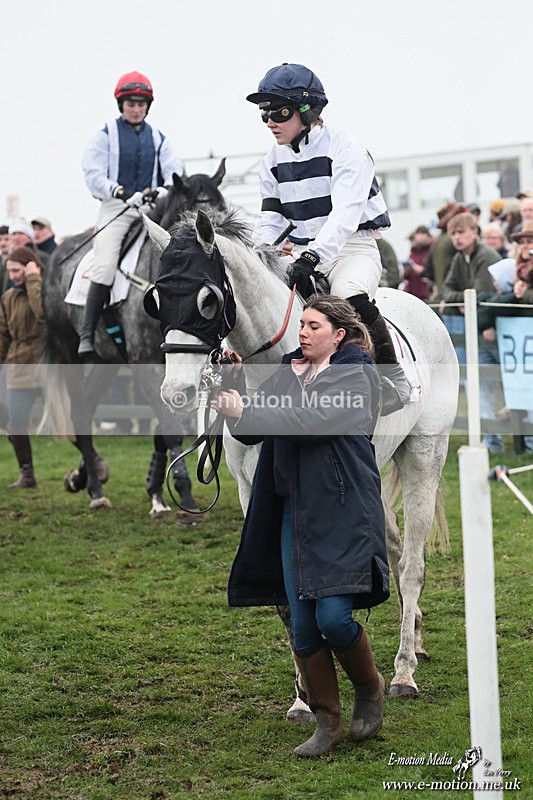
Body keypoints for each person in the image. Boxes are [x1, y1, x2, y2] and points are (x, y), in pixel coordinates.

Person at [212, 295, 389, 758]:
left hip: (343, 507)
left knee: (333, 617)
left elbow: (311, 422)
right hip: (293, 511)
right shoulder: (290, 370)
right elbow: (251, 430)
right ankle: (327, 723)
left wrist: (252, 411)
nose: (303, 334)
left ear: (340, 335)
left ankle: (370, 689)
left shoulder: (357, 375)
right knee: (304, 626)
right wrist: (232, 393)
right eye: (302, 325)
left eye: (313, 326)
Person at [246, 62, 410, 415]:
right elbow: (271, 218)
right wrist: (258, 255)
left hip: (353, 247)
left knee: (348, 296)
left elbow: (345, 215)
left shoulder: (347, 148)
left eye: (279, 111)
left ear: (307, 111)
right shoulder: (270, 161)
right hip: (304, 250)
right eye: (264, 114)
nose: (270, 121)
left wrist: (312, 257)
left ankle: (394, 378)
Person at [78, 70, 185, 357]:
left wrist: (161, 191)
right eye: (130, 104)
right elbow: (93, 173)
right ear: (121, 105)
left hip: (151, 207)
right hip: (117, 206)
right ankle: (87, 334)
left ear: (147, 106)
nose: (136, 109)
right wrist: (120, 192)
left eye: (140, 104)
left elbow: (175, 170)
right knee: (104, 263)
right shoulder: (104, 136)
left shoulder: (159, 138)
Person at [439, 212, 503, 452]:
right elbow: (447, 290)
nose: (457, 238)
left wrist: (461, 299)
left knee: (512, 387)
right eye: (453, 233)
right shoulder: (459, 258)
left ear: (474, 232)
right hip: (481, 329)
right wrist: (460, 300)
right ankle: (493, 440)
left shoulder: (486, 256)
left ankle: (522, 441)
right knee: (481, 384)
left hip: (495, 328)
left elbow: (480, 296)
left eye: (461, 232)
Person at [0, 246, 45, 487]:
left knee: (66, 420)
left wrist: (33, 279)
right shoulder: (7, 298)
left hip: (44, 366)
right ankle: (27, 474)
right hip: (18, 368)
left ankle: (92, 463)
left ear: (29, 267)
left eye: (17, 270)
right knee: (15, 423)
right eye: (9, 271)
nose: (12, 276)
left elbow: (42, 313)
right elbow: (2, 335)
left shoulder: (42, 288)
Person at [401, 225, 434, 300]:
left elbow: (434, 271)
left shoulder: (432, 250)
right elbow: (406, 276)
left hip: (425, 294)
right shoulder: (413, 251)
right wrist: (407, 270)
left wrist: (422, 271)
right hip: (411, 292)